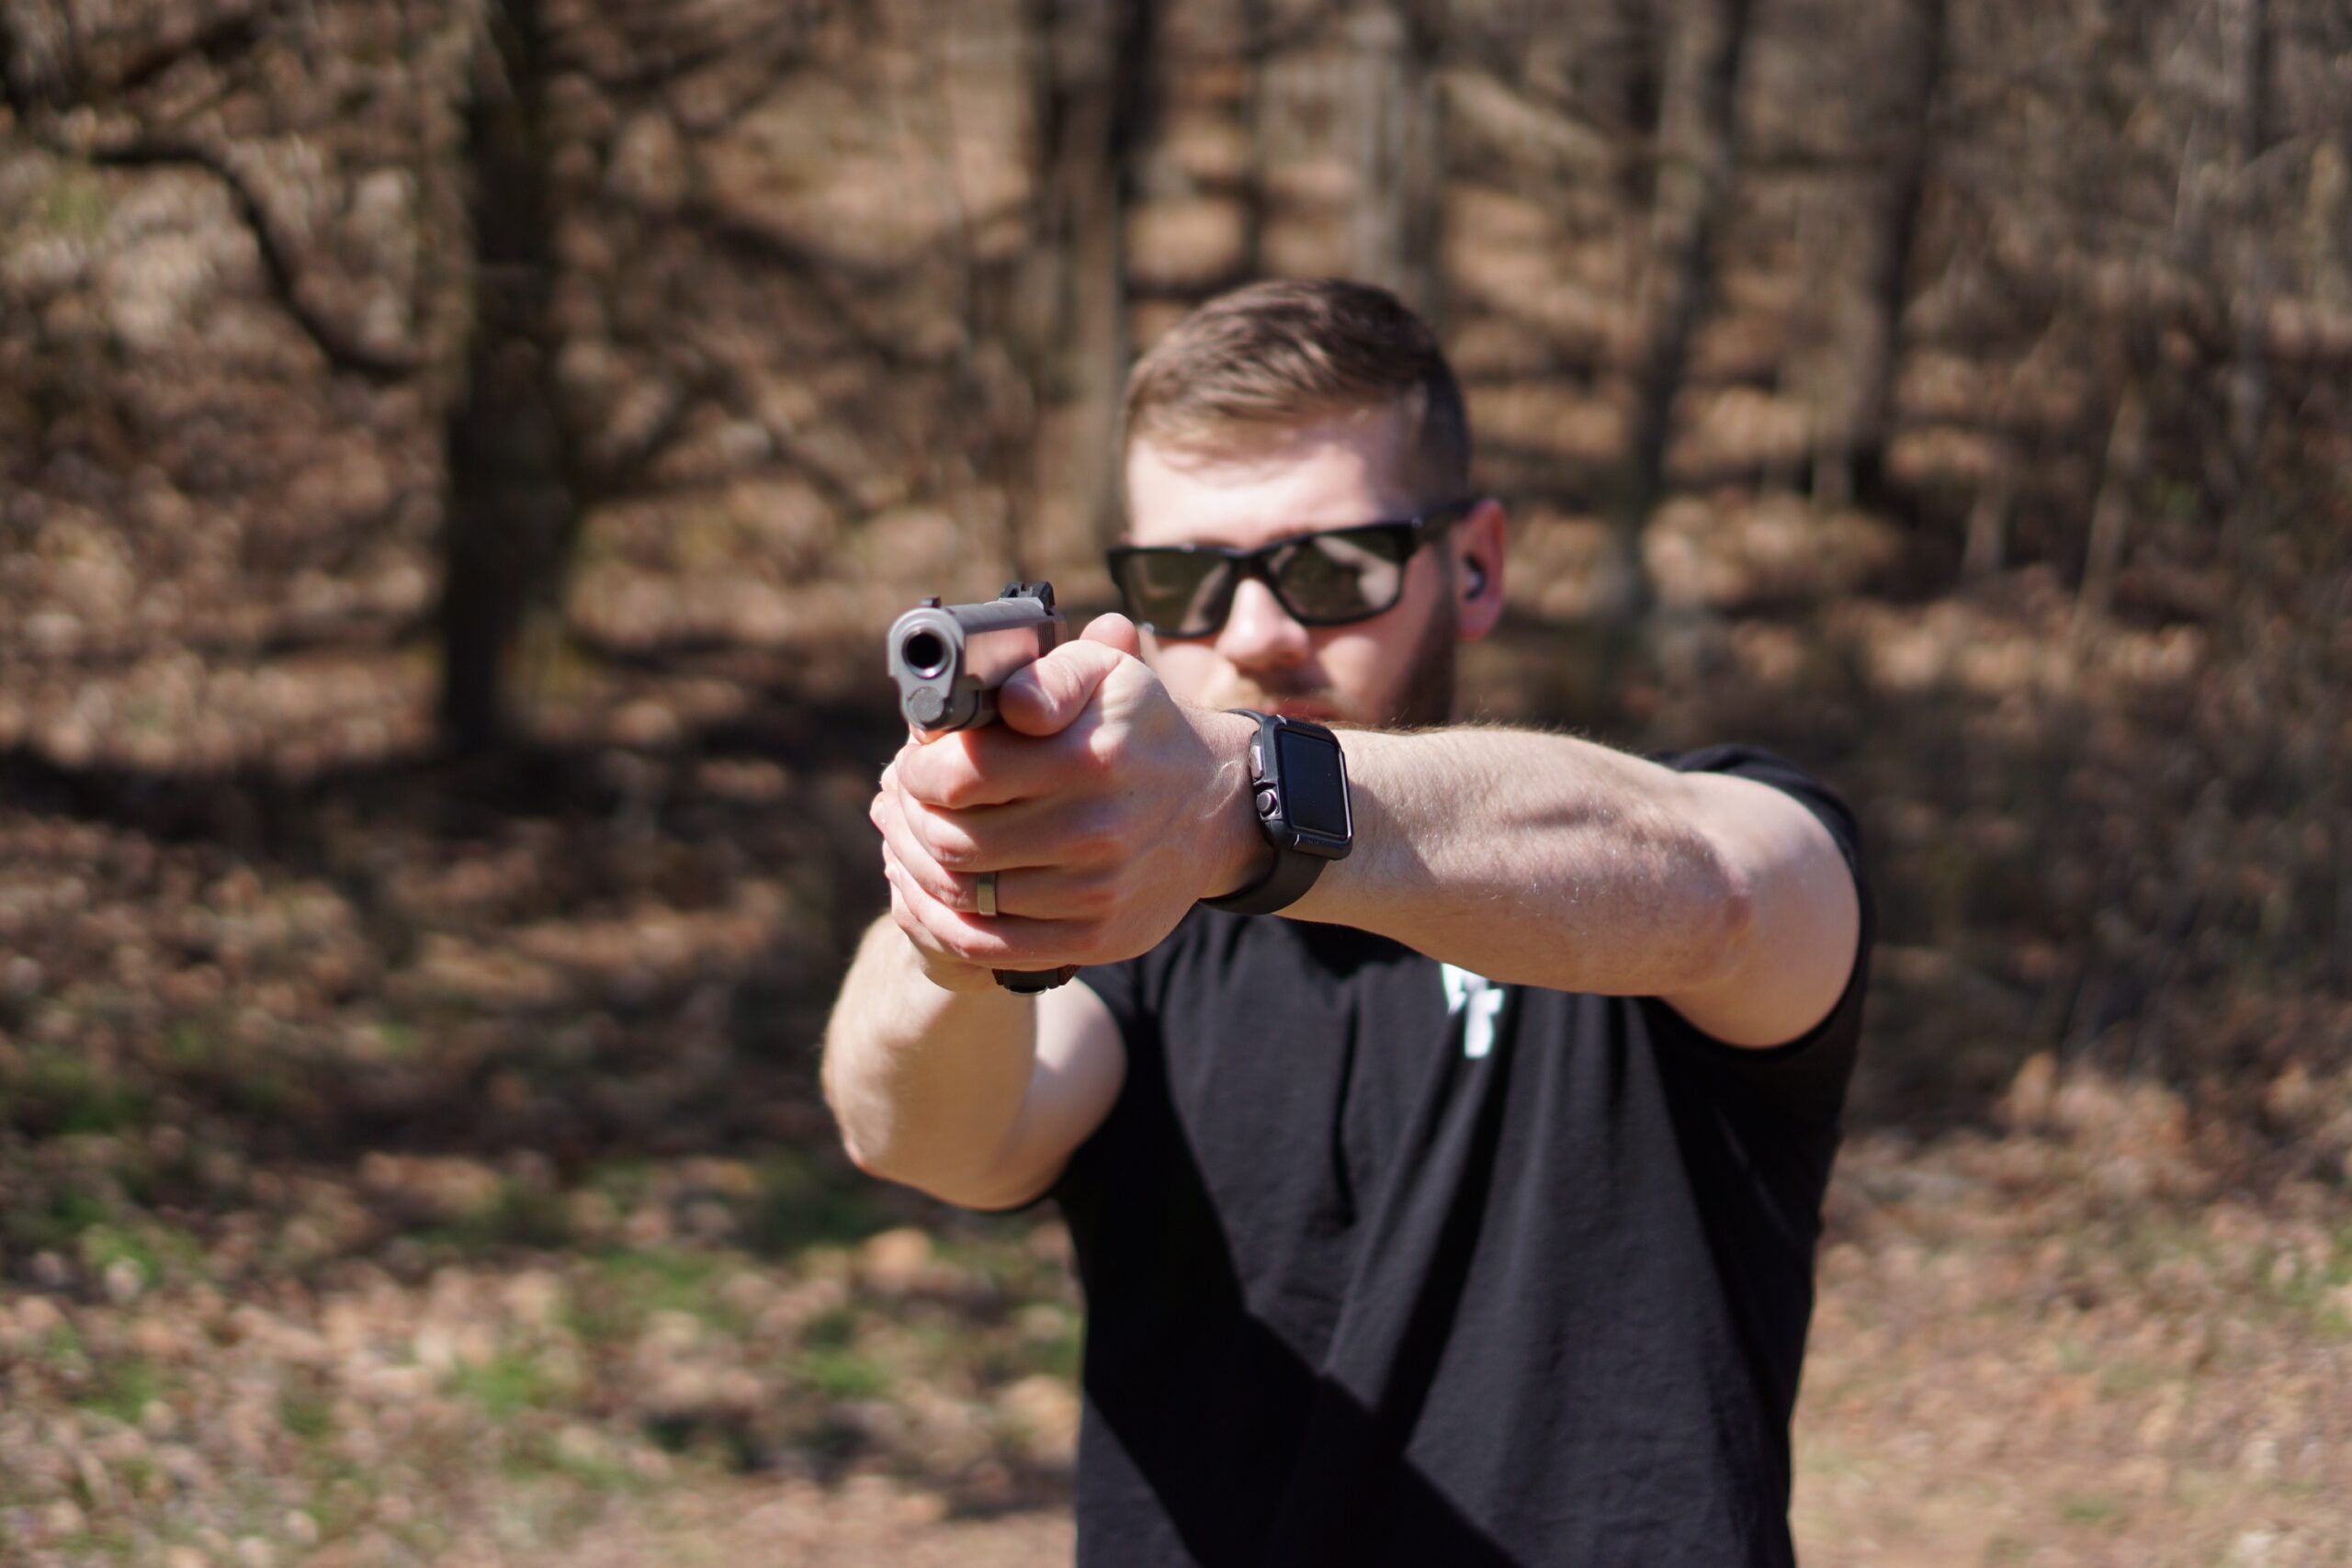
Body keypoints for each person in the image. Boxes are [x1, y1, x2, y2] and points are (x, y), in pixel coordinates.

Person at [822, 277, 1871, 1566]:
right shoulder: (1132, 933)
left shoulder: (1677, 849)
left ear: (1473, 565)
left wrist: (1248, 800)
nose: (1255, 634)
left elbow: (1720, 889)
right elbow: (923, 1133)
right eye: (1187, 581)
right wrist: (956, 907)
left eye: (1330, 569)